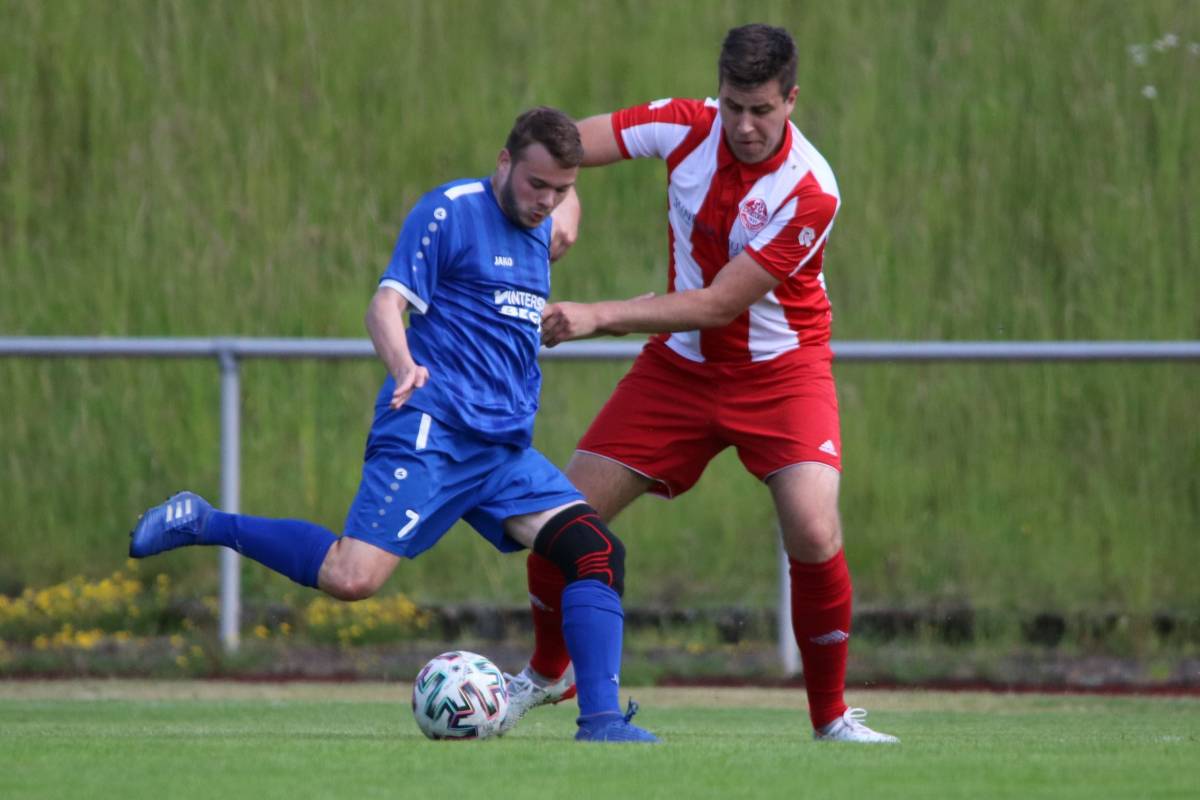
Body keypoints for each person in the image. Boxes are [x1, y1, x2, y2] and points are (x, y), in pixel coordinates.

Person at [128, 107, 657, 744]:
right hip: (432, 430)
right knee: (352, 579)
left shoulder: (547, 225)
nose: (546, 201)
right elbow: (386, 304)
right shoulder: (451, 211)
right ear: (503, 163)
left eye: (560, 189)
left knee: (595, 550)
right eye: (535, 184)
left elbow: (568, 214)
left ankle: (600, 722)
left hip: (502, 452)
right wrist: (404, 363)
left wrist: (608, 278)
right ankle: (206, 520)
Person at [504, 25, 898, 744]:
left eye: (762, 110)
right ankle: (547, 673)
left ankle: (832, 718)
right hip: (679, 371)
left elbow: (720, 303)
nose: (744, 125)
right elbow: (554, 146)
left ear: (791, 101)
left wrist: (598, 315)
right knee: (556, 520)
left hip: (783, 373)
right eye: (732, 106)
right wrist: (567, 199)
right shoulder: (684, 126)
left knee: (812, 529)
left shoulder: (811, 190)